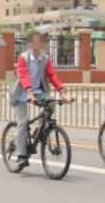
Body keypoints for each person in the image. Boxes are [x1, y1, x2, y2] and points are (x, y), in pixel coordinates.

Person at [8, 32, 68, 169]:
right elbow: (23, 75)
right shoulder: (23, 58)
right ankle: (21, 156)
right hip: (22, 93)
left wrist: (62, 91)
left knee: (51, 103)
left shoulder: (45, 59)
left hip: (38, 92)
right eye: (34, 43)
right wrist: (29, 92)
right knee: (22, 122)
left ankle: (41, 130)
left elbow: (52, 75)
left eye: (39, 43)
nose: (37, 46)